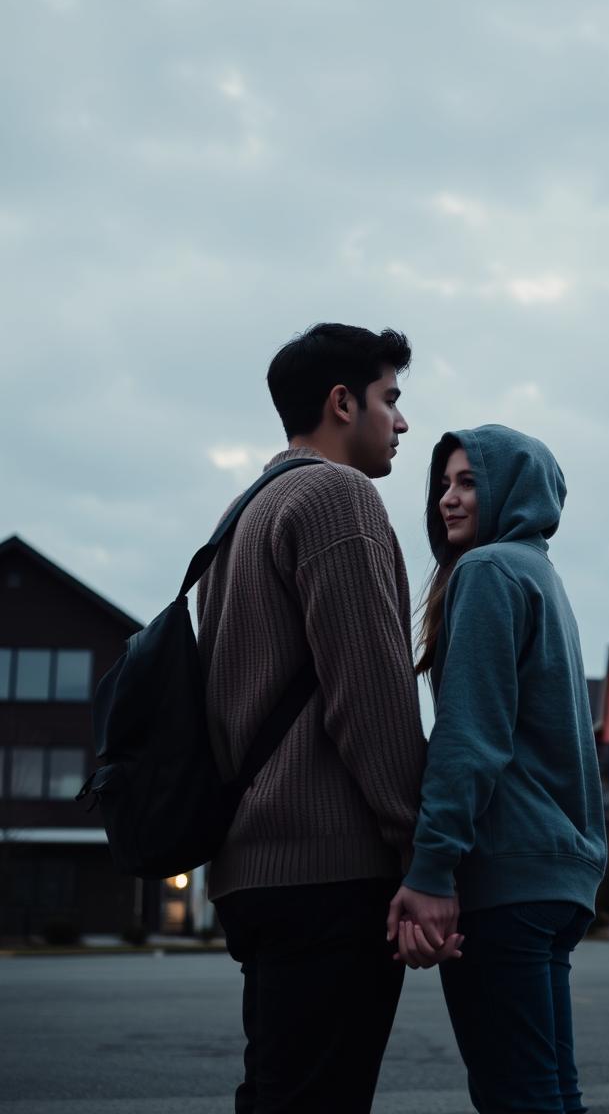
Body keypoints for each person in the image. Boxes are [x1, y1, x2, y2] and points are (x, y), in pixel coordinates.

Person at [197, 323, 456, 1114]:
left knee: (280, 1090)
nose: (403, 423)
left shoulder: (240, 517)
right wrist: (423, 857)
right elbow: (372, 697)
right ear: (343, 402)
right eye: (390, 400)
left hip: (254, 871)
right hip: (331, 873)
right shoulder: (337, 497)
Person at [387, 424, 607, 1114]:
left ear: (513, 487)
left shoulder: (488, 573)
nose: (447, 499)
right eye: (443, 484)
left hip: (506, 876)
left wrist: (428, 871)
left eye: (467, 481)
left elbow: (469, 739)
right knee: (550, 1092)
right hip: (556, 881)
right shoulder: (541, 576)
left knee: (518, 1097)